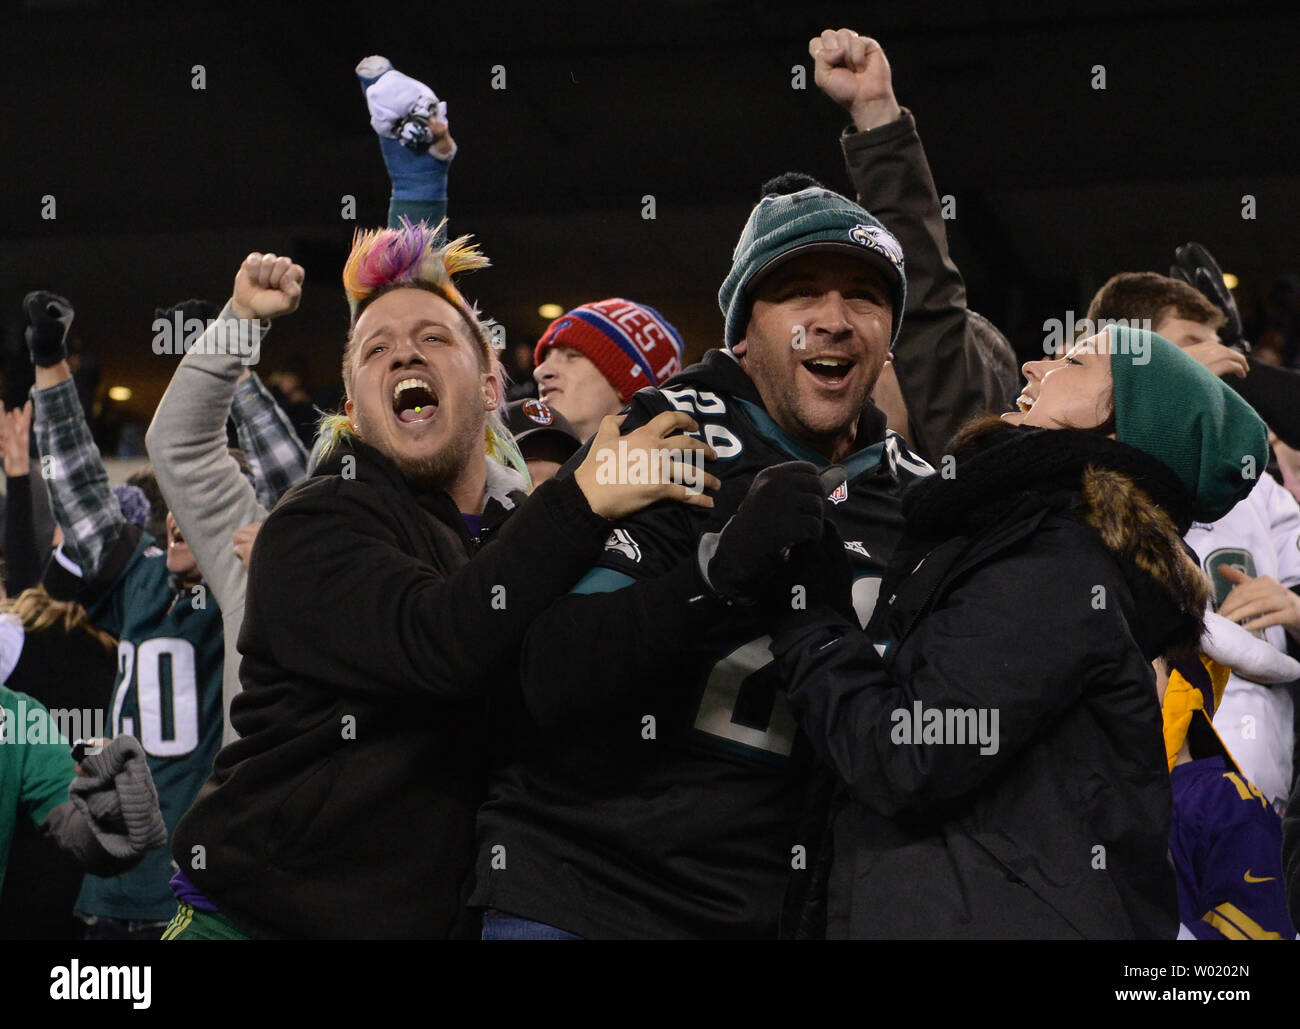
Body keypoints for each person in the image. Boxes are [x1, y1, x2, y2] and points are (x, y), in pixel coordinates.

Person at [163, 219, 716, 939]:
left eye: (433, 338)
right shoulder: (315, 523)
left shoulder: (511, 535)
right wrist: (582, 496)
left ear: (490, 387)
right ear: (354, 410)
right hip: (253, 924)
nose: (403, 356)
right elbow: (439, 642)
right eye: (375, 348)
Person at [472, 176, 933, 939]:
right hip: (587, 886)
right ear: (744, 329)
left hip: (767, 909)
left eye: (864, 296)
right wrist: (712, 578)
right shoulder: (661, 435)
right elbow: (551, 674)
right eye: (798, 292)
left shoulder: (917, 500)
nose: (835, 320)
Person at [769, 326, 1266, 938]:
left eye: (1074, 362)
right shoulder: (1032, 541)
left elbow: (909, 757)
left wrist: (809, 618)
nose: (1033, 366)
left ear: (1120, 431)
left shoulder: (1061, 561)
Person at [25, 290, 226, 940]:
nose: (178, 512)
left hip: (200, 893)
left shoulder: (248, 589)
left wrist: (223, 350)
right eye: (173, 500)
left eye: (197, 502)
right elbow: (79, 488)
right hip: (112, 891)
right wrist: (50, 362)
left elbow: (278, 469)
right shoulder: (139, 570)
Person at [1089, 271, 1300, 811]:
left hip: (1265, 781)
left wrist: (1296, 610)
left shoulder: (1263, 489)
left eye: (1219, 344)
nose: (1222, 359)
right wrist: (1167, 395)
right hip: (1142, 780)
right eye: (1190, 346)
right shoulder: (1091, 474)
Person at [809, 27, 996, 464]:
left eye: (895, 353)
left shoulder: (970, 504)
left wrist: (878, 120)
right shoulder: (769, 490)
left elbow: (926, 305)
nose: (840, 333)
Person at [146, 278, 311, 745]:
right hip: (239, 810)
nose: (179, 518)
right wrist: (231, 333)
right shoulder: (241, 563)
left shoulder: (278, 555)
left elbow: (292, 485)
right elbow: (178, 448)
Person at [533, 298, 686, 443]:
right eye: (547, 356)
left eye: (572, 356)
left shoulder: (679, 469)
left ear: (625, 384)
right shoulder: (518, 466)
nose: (539, 371)